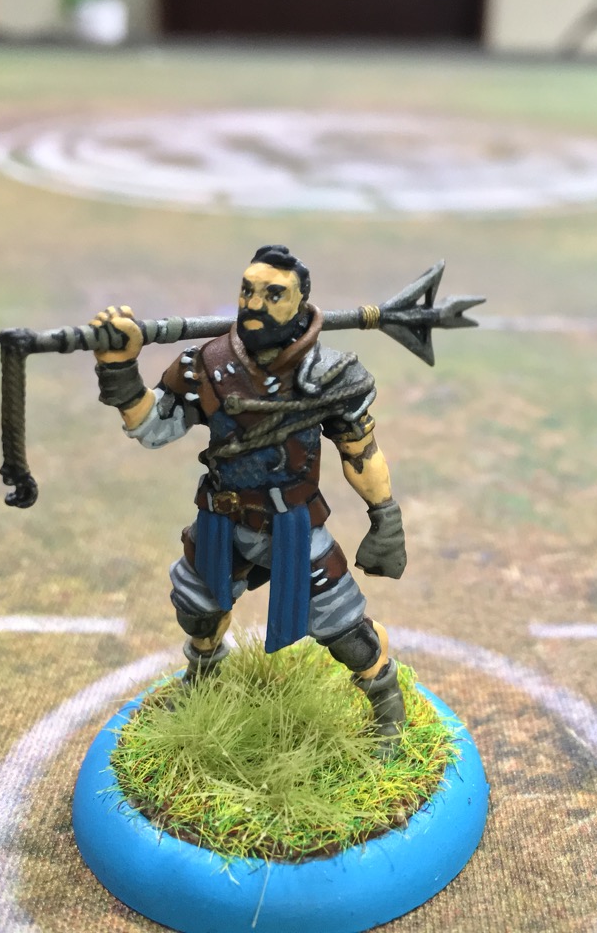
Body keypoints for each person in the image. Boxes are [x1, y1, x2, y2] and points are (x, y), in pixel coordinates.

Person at [88, 245, 407, 750]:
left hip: (293, 526)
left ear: (300, 303)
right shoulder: (207, 364)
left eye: (273, 294)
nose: (255, 304)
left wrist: (384, 517)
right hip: (223, 519)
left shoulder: (332, 375)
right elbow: (153, 428)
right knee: (198, 608)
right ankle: (202, 679)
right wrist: (119, 367)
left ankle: (386, 704)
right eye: (248, 291)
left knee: (344, 630)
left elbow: (360, 451)